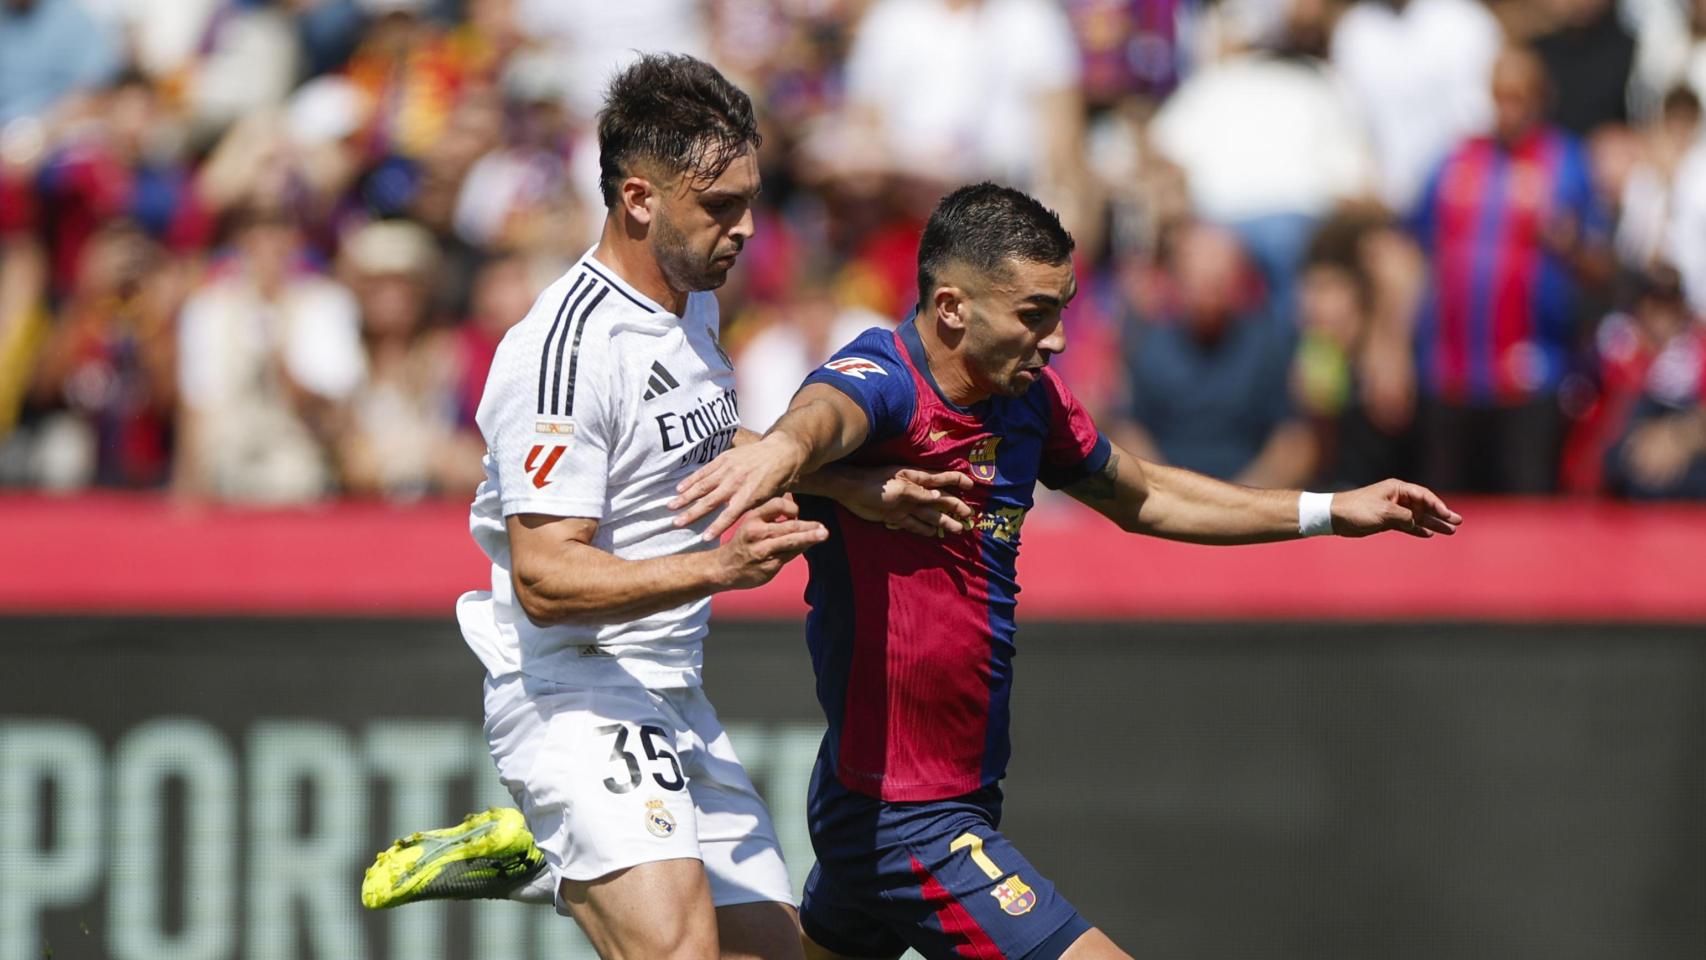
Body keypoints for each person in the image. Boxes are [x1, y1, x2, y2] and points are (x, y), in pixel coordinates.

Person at [367, 183, 1461, 960]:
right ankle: (574, 851)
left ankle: (555, 858)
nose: (1055, 340)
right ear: (951, 308)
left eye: (1061, 315)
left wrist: (1330, 511)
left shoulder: (1026, 399)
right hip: (911, 819)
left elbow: (1144, 494)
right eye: (1035, 317)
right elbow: (816, 419)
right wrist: (786, 456)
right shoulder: (881, 379)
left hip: (911, 794)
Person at [358, 53, 971, 960]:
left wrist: (846, 487)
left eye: (751, 200)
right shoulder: (561, 356)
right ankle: (571, 849)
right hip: (571, 691)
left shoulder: (693, 307)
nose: (746, 228)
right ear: (639, 199)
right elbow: (545, 579)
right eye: (719, 206)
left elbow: (694, 450)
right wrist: (721, 566)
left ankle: (548, 858)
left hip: (672, 693)